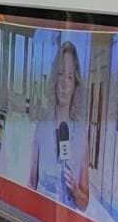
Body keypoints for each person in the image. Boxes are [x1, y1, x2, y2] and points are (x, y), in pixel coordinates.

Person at [28, 39, 91, 211]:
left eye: (70, 77)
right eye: (61, 74)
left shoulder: (81, 135)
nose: (64, 83)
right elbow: (31, 184)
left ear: (75, 84)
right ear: (55, 79)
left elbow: (84, 203)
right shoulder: (42, 127)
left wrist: (75, 191)